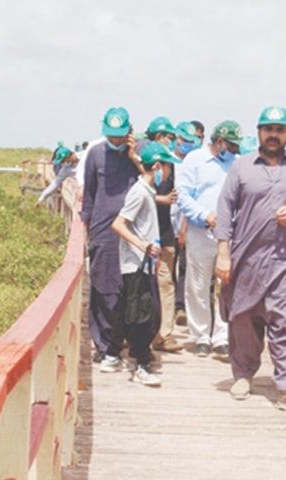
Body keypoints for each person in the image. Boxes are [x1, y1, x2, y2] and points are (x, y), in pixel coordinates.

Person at [214, 106, 286, 413]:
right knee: (244, 317)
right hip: (247, 257)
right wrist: (223, 253)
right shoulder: (242, 167)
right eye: (268, 129)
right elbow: (225, 208)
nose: (273, 135)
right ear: (259, 132)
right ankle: (244, 374)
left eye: (280, 130)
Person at [106, 142, 182, 386]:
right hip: (136, 263)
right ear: (158, 166)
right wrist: (143, 246)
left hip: (144, 262)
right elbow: (118, 224)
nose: (169, 173)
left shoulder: (148, 191)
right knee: (144, 316)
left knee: (130, 311)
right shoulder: (140, 192)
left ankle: (113, 355)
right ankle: (141, 364)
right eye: (168, 167)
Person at [80, 107, 143, 363]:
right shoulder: (95, 153)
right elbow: (90, 195)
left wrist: (134, 157)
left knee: (129, 288)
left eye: (120, 135)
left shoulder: (139, 154)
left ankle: (123, 340)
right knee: (103, 287)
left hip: (132, 231)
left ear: (129, 131)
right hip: (103, 231)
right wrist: (87, 231)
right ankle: (104, 343)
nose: (115, 140)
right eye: (111, 135)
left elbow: (156, 182)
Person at [176, 120, 242, 358]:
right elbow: (183, 195)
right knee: (197, 285)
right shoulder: (194, 160)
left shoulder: (237, 164)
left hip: (230, 235)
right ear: (220, 141)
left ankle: (222, 337)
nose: (235, 150)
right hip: (201, 230)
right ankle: (201, 335)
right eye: (232, 145)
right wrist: (205, 215)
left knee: (227, 285)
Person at [144, 117, 186, 353]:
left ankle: (163, 335)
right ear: (159, 137)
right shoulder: (142, 163)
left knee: (166, 284)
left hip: (165, 234)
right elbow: (133, 196)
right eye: (170, 137)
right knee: (140, 285)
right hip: (143, 237)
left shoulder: (172, 166)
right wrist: (159, 199)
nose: (173, 141)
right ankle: (137, 333)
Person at [170, 122, 202, 326]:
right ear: (176, 138)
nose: (186, 144)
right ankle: (168, 307)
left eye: (191, 142)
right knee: (164, 269)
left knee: (183, 267)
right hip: (164, 224)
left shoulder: (194, 164)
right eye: (184, 140)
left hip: (185, 224)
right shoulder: (166, 161)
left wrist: (184, 227)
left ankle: (180, 306)